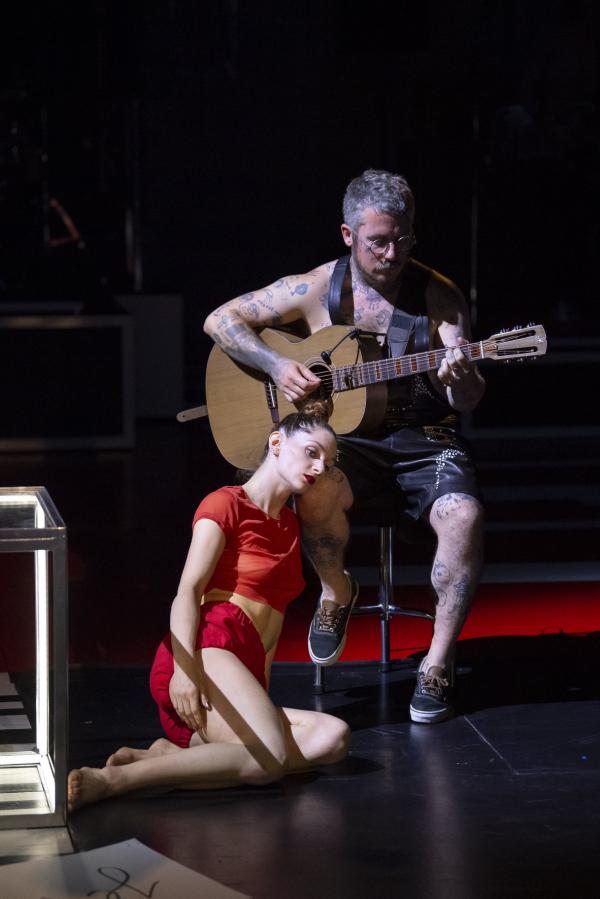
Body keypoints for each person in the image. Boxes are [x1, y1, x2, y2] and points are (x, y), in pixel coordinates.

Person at [203, 168, 485, 725]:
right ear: (348, 234)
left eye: (403, 238)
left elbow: (469, 399)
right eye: (378, 241)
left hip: (425, 439)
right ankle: (336, 590)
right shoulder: (313, 288)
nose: (392, 253)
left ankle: (437, 661)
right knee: (307, 480)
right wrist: (277, 365)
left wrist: (461, 375)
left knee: (465, 515)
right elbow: (220, 320)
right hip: (345, 439)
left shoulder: (438, 295)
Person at [68, 406, 349, 811]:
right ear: (276, 442)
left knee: (332, 738)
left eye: (329, 461)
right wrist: (185, 670)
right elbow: (188, 591)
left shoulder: (289, 524)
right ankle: (114, 780)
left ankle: (170, 758)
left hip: (242, 665)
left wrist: (257, 696)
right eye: (311, 452)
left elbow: (270, 632)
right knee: (268, 758)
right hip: (208, 648)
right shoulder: (225, 503)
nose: (320, 467)